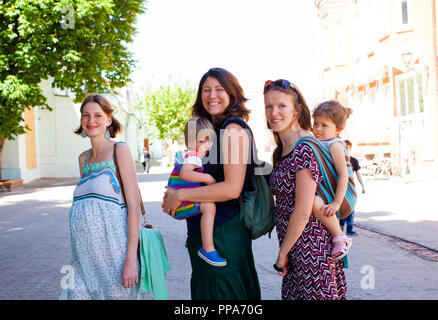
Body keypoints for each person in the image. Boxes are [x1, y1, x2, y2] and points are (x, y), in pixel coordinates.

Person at [162, 67, 261, 300]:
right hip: (207, 232)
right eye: (206, 90)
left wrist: (180, 196)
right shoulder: (210, 132)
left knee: (224, 294)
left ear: (232, 93)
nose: (212, 95)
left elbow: (231, 188)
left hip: (223, 232)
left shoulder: (233, 129)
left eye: (219, 89)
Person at [264, 79, 347, 300]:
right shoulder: (284, 149)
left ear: (297, 110)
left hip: (312, 252)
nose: (274, 112)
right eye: (269, 106)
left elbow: (302, 210)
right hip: (297, 252)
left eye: (282, 106)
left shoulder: (305, 148)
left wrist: (282, 254)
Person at [60, 94, 145, 300]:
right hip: (82, 260)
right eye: (86, 115)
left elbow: (133, 207)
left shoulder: (119, 150)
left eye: (98, 115)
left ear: (108, 120)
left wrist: (130, 260)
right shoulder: (83, 159)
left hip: (114, 258)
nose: (91, 121)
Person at [167, 117, 227, 266]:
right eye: (202, 141)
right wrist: (207, 178)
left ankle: (195, 241)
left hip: (177, 203)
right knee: (209, 206)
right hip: (179, 205)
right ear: (190, 140)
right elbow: (185, 174)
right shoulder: (193, 156)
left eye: (210, 140)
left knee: (206, 206)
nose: (207, 145)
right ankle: (207, 248)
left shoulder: (187, 154)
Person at [311, 100, 355, 260]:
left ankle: (340, 237)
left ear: (339, 129)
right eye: (316, 124)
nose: (317, 129)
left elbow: (344, 175)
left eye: (324, 125)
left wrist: (337, 202)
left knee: (314, 201)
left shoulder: (334, 145)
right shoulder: (321, 142)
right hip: (333, 188)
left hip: (344, 194)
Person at [340, 139, 366, 236]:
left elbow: (358, 174)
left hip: (351, 188)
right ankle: (341, 227)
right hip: (341, 187)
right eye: (343, 146)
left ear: (350, 148)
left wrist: (363, 186)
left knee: (351, 208)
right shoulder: (338, 158)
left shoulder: (354, 161)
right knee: (343, 207)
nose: (345, 148)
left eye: (347, 147)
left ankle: (350, 229)